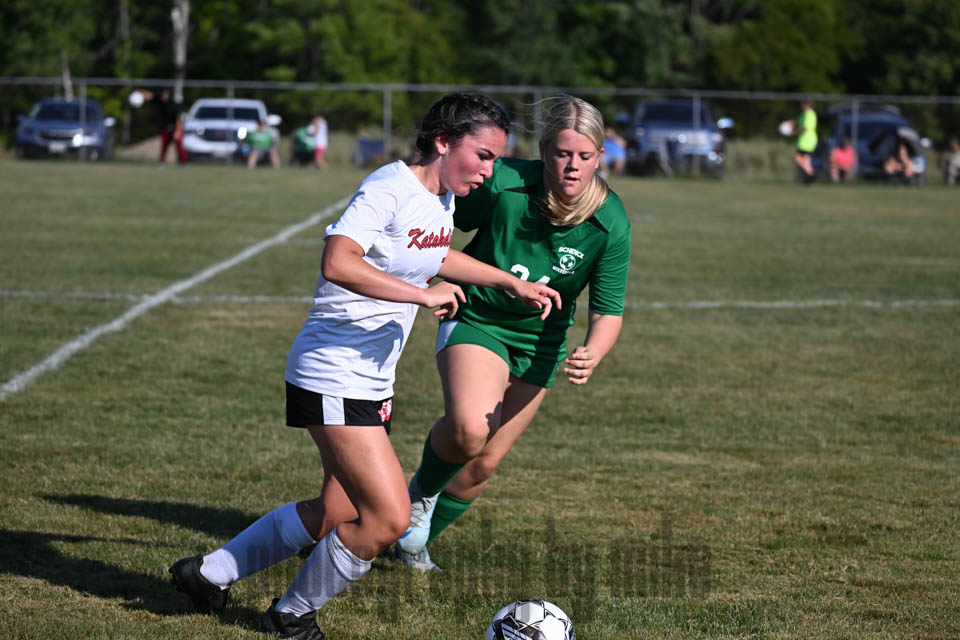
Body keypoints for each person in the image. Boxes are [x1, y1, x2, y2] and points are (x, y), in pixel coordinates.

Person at [167, 92, 561, 639]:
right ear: (444, 143)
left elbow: (433, 254)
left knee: (335, 509)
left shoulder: (439, 197)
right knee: (388, 517)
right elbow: (338, 260)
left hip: (369, 378)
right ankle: (292, 616)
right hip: (334, 371)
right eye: (485, 155)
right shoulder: (389, 187)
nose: (491, 170)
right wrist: (419, 296)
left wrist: (507, 280)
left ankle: (207, 574)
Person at [394, 96, 631, 572]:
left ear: (600, 157)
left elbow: (608, 309)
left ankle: (405, 547)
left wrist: (594, 350)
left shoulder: (610, 222)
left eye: (585, 157)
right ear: (544, 151)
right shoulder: (503, 183)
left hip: (539, 344)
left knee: (480, 466)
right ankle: (416, 499)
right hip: (479, 316)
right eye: (563, 154)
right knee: (469, 431)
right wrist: (427, 262)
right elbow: (442, 211)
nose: (572, 166)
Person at [137, 88, 186, 166]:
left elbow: (179, 119)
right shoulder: (161, 102)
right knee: (164, 145)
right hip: (166, 128)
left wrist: (178, 131)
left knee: (179, 145)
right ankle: (161, 161)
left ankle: (183, 162)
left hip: (176, 127)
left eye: (166, 94)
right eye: (163, 94)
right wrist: (139, 92)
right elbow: (150, 95)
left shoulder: (174, 105)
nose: (164, 96)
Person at [791, 99, 817, 183]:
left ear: (807, 105)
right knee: (806, 160)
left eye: (803, 105)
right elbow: (797, 120)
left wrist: (794, 132)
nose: (802, 107)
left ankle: (811, 174)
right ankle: (809, 178)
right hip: (803, 141)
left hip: (807, 140)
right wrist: (790, 123)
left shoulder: (809, 115)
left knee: (798, 157)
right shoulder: (804, 114)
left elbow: (805, 128)